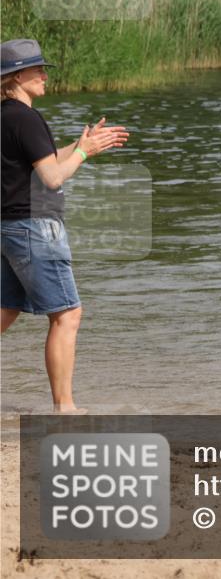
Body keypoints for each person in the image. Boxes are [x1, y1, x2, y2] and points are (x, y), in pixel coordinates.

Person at [1, 38, 130, 413]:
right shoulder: (27, 118)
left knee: (5, 309)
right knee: (67, 314)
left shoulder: (5, 117)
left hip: (9, 228)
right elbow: (53, 178)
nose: (44, 75)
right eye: (37, 69)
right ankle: (65, 408)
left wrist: (80, 145)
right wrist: (84, 154)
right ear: (16, 75)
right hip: (35, 227)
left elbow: (38, 163)